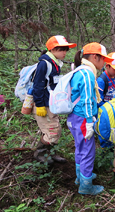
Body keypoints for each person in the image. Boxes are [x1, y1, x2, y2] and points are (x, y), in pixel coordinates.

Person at [66, 42, 113, 195]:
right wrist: (90, 122)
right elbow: (86, 100)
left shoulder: (80, 70)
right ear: (94, 57)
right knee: (88, 151)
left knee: (79, 148)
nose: (105, 62)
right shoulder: (87, 74)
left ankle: (81, 177)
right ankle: (86, 186)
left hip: (74, 117)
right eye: (103, 59)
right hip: (82, 119)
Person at [33, 35, 76, 165]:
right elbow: (38, 85)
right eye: (61, 49)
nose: (64, 52)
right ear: (52, 49)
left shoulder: (56, 63)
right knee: (52, 132)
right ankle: (39, 153)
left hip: (51, 103)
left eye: (66, 49)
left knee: (56, 129)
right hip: (43, 104)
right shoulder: (44, 64)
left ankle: (50, 153)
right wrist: (39, 104)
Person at [97, 52, 115, 149]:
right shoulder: (101, 80)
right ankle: (105, 151)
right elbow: (98, 100)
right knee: (105, 133)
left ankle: (114, 150)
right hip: (105, 113)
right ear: (107, 66)